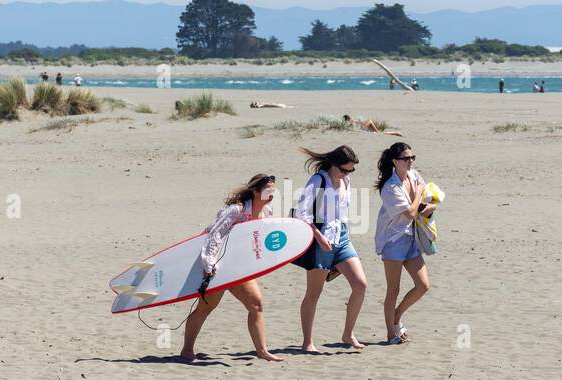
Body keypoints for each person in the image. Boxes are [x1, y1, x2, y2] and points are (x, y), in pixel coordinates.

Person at [180, 174, 283, 363]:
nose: (272, 194)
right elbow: (214, 235)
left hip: (239, 269)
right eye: (268, 190)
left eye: (273, 190)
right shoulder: (236, 210)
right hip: (217, 267)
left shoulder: (266, 213)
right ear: (255, 191)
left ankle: (262, 351)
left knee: (256, 305)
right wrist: (208, 264)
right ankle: (187, 350)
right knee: (205, 308)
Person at [293, 145, 367, 350]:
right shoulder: (319, 180)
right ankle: (307, 342)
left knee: (360, 284)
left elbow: (342, 212)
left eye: (351, 170)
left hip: (342, 237)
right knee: (314, 293)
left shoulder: (346, 181)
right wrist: (318, 236)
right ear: (333, 164)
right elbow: (301, 212)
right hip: (321, 240)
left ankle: (348, 334)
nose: (347, 174)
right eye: (344, 169)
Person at [375, 143, 432, 345]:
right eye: (405, 158)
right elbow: (408, 213)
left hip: (411, 237)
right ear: (394, 161)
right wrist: (417, 196)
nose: (410, 161)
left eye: (412, 157)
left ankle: (396, 317)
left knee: (423, 285)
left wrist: (429, 205)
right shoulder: (389, 187)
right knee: (393, 290)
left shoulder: (414, 176)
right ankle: (391, 333)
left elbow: (423, 199)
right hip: (393, 240)